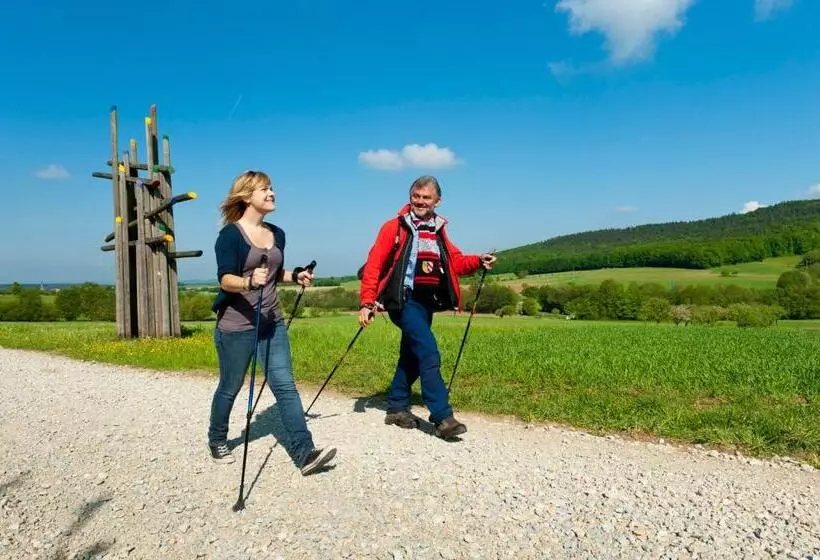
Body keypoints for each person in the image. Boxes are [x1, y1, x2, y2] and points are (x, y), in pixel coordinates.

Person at [208, 170, 336, 476]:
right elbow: (225, 279)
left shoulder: (277, 233)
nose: (272, 193)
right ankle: (217, 438)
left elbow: (274, 274)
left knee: (285, 385)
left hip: (271, 323)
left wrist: (296, 275)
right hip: (236, 326)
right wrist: (248, 281)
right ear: (246, 196)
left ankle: (305, 453)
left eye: (271, 188)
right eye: (264, 189)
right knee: (230, 386)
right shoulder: (230, 236)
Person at [358, 175, 497, 439]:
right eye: (416, 196)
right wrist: (366, 302)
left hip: (426, 302)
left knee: (411, 355)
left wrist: (478, 261)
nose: (420, 201)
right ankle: (443, 417)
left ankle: (396, 407)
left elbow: (454, 261)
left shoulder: (437, 229)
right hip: (402, 301)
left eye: (426, 197)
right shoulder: (394, 227)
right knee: (428, 352)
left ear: (437, 201)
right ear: (410, 197)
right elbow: (374, 264)